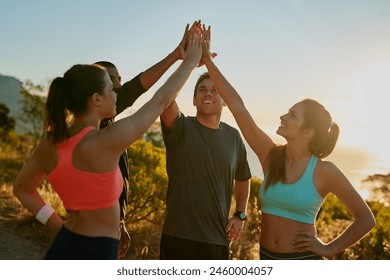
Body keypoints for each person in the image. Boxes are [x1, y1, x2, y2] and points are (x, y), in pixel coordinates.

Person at [12, 29, 203, 260]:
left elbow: (22, 189)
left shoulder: (50, 142)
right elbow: (161, 100)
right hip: (98, 252)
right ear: (96, 99)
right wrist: (191, 60)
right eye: (111, 89)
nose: (117, 93)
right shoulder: (106, 141)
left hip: (64, 244)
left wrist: (57, 225)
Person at [199, 25, 376, 260]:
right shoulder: (271, 155)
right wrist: (208, 63)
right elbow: (238, 107)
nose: (283, 117)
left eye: (292, 115)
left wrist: (328, 248)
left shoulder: (324, 171)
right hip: (266, 258)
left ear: (308, 132)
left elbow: (366, 219)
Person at [93, 23, 196, 258]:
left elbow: (136, 87)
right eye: (112, 79)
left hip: (108, 229)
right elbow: (151, 96)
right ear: (95, 90)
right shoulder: (98, 131)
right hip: (96, 234)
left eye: (120, 78)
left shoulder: (105, 122)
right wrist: (187, 61)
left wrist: (120, 221)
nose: (119, 84)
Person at [159, 25, 252, 260]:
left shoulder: (234, 137)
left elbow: (243, 179)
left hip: (217, 241)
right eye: (202, 90)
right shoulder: (180, 127)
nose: (208, 93)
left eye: (214, 90)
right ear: (194, 99)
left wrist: (240, 214)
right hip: (178, 238)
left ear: (224, 101)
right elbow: (165, 98)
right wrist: (188, 61)